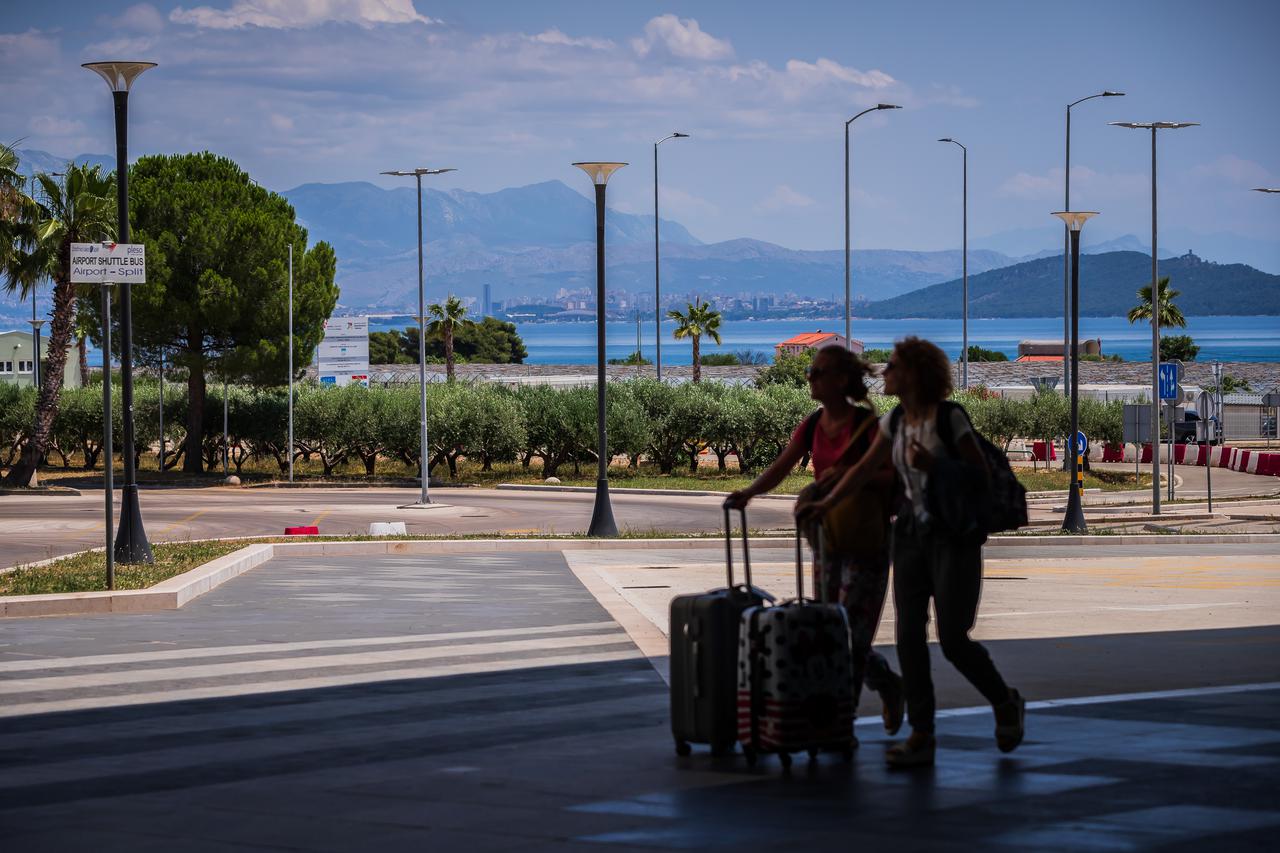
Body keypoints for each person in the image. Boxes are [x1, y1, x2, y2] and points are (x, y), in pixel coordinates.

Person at [800, 336, 1024, 768]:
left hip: (952, 537)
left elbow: (979, 475)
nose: (885, 373)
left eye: (894, 367)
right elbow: (860, 469)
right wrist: (825, 504)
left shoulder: (950, 418)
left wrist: (935, 465)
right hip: (909, 537)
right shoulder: (896, 420)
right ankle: (922, 733)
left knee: (954, 640)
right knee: (908, 636)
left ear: (915, 374)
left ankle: (1004, 700)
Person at [725, 344, 905, 741]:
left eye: (817, 372)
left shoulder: (868, 426)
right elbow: (782, 465)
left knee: (852, 636)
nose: (810, 377)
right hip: (828, 538)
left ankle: (841, 722)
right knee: (827, 631)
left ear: (840, 380)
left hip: (867, 542)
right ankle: (882, 686)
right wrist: (749, 492)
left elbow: (891, 477)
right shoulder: (812, 425)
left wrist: (843, 478)